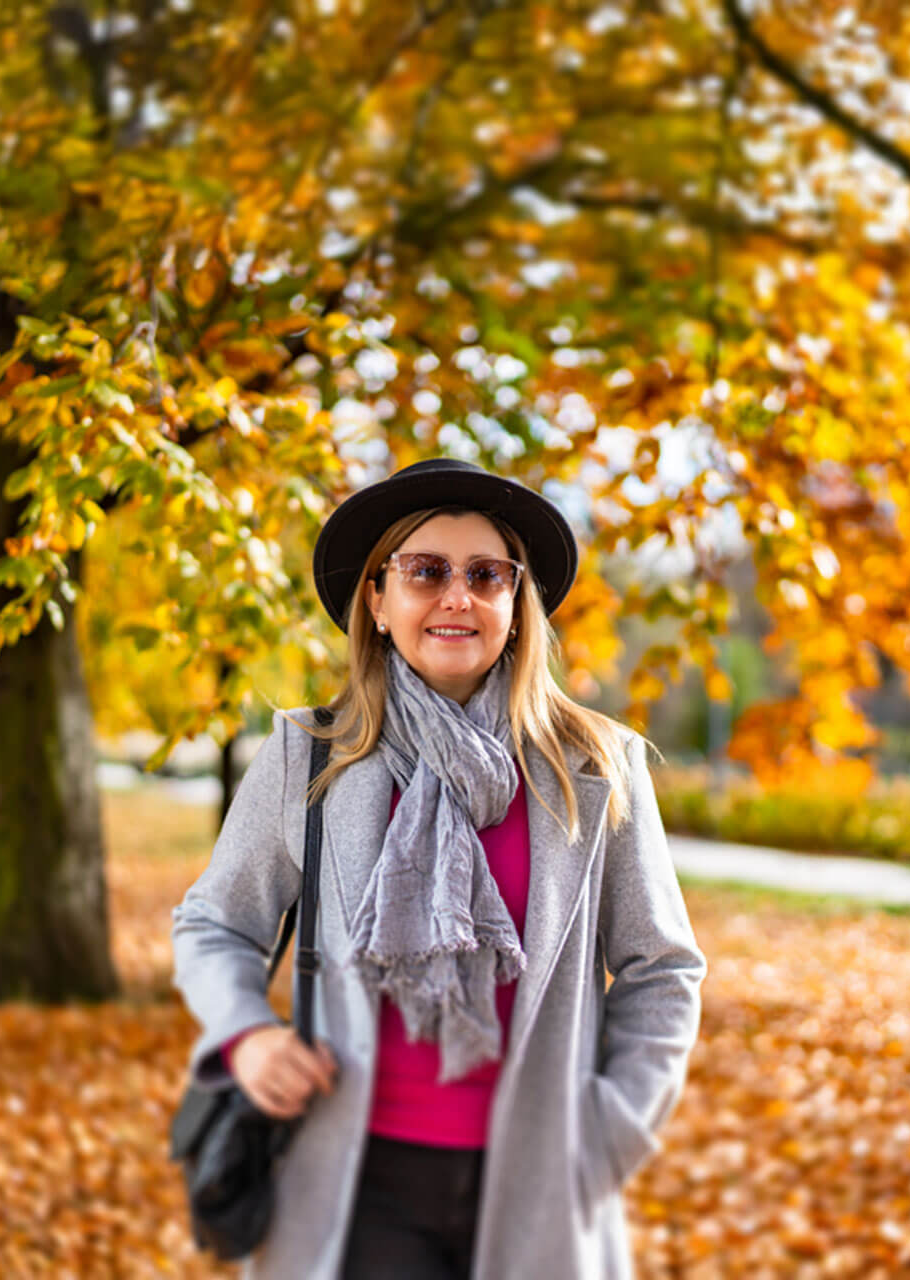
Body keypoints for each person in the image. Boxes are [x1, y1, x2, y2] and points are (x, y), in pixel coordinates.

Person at [170, 457, 706, 1279]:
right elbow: (216, 923)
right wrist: (244, 1034)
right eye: (426, 572)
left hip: (542, 1183)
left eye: (486, 575)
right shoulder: (309, 755)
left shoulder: (598, 768)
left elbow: (661, 968)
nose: (458, 596)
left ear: (515, 608)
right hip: (353, 1186)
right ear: (378, 602)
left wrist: (611, 1131)